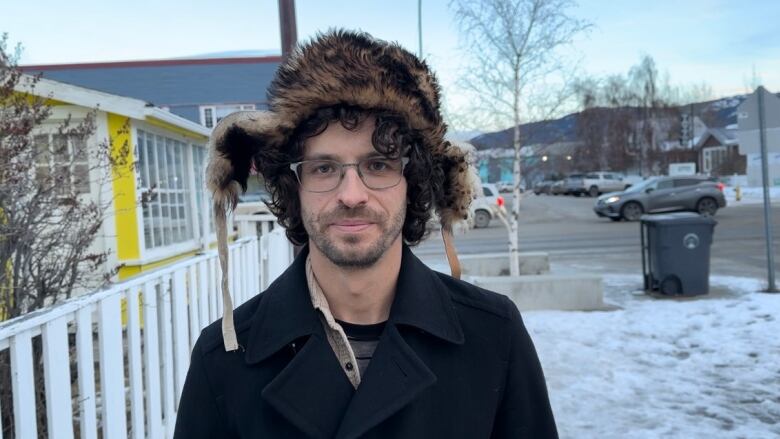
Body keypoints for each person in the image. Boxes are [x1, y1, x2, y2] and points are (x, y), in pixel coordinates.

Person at [174, 30, 557, 438]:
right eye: (323, 168)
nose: (352, 195)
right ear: (294, 187)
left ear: (413, 181)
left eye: (378, 165)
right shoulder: (225, 358)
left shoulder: (493, 335)